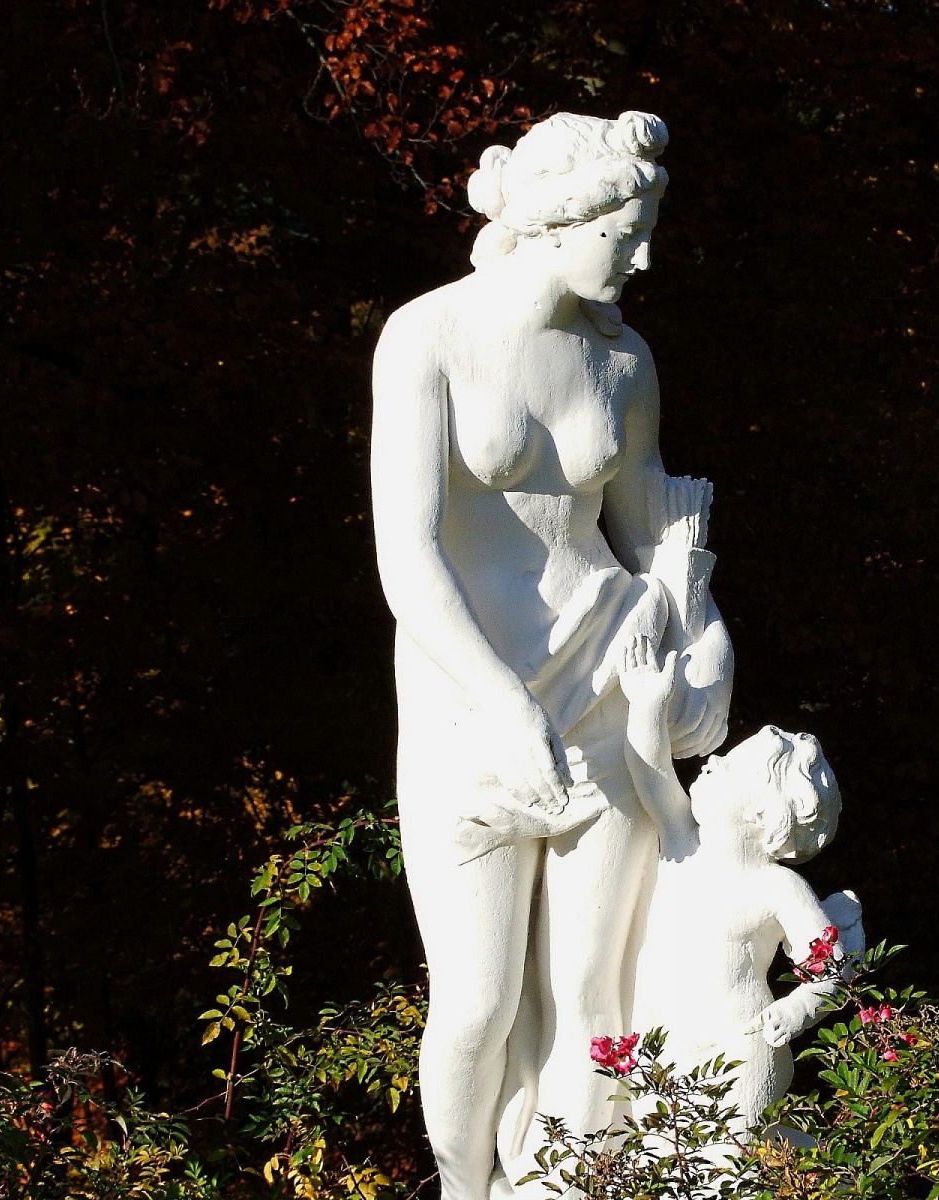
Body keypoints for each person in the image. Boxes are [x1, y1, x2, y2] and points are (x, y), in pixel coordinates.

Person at [369, 110, 733, 1200]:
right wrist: (496, 703)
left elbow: (650, 530)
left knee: (593, 991)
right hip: (466, 700)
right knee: (475, 1001)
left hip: (606, 681)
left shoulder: (623, 360)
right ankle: (463, 1190)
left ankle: (575, 1188)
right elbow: (408, 551)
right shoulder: (428, 336)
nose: (645, 253)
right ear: (560, 220)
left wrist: (704, 636)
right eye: (629, 229)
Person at [616, 635, 863, 1131]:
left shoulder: (777, 887)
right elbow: (651, 774)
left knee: (729, 1162)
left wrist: (798, 1008)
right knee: (665, 1159)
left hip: (743, 1044)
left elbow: (831, 972)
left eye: (729, 765)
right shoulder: (682, 840)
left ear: (762, 811)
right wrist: (647, 704)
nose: (710, 762)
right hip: (661, 1043)